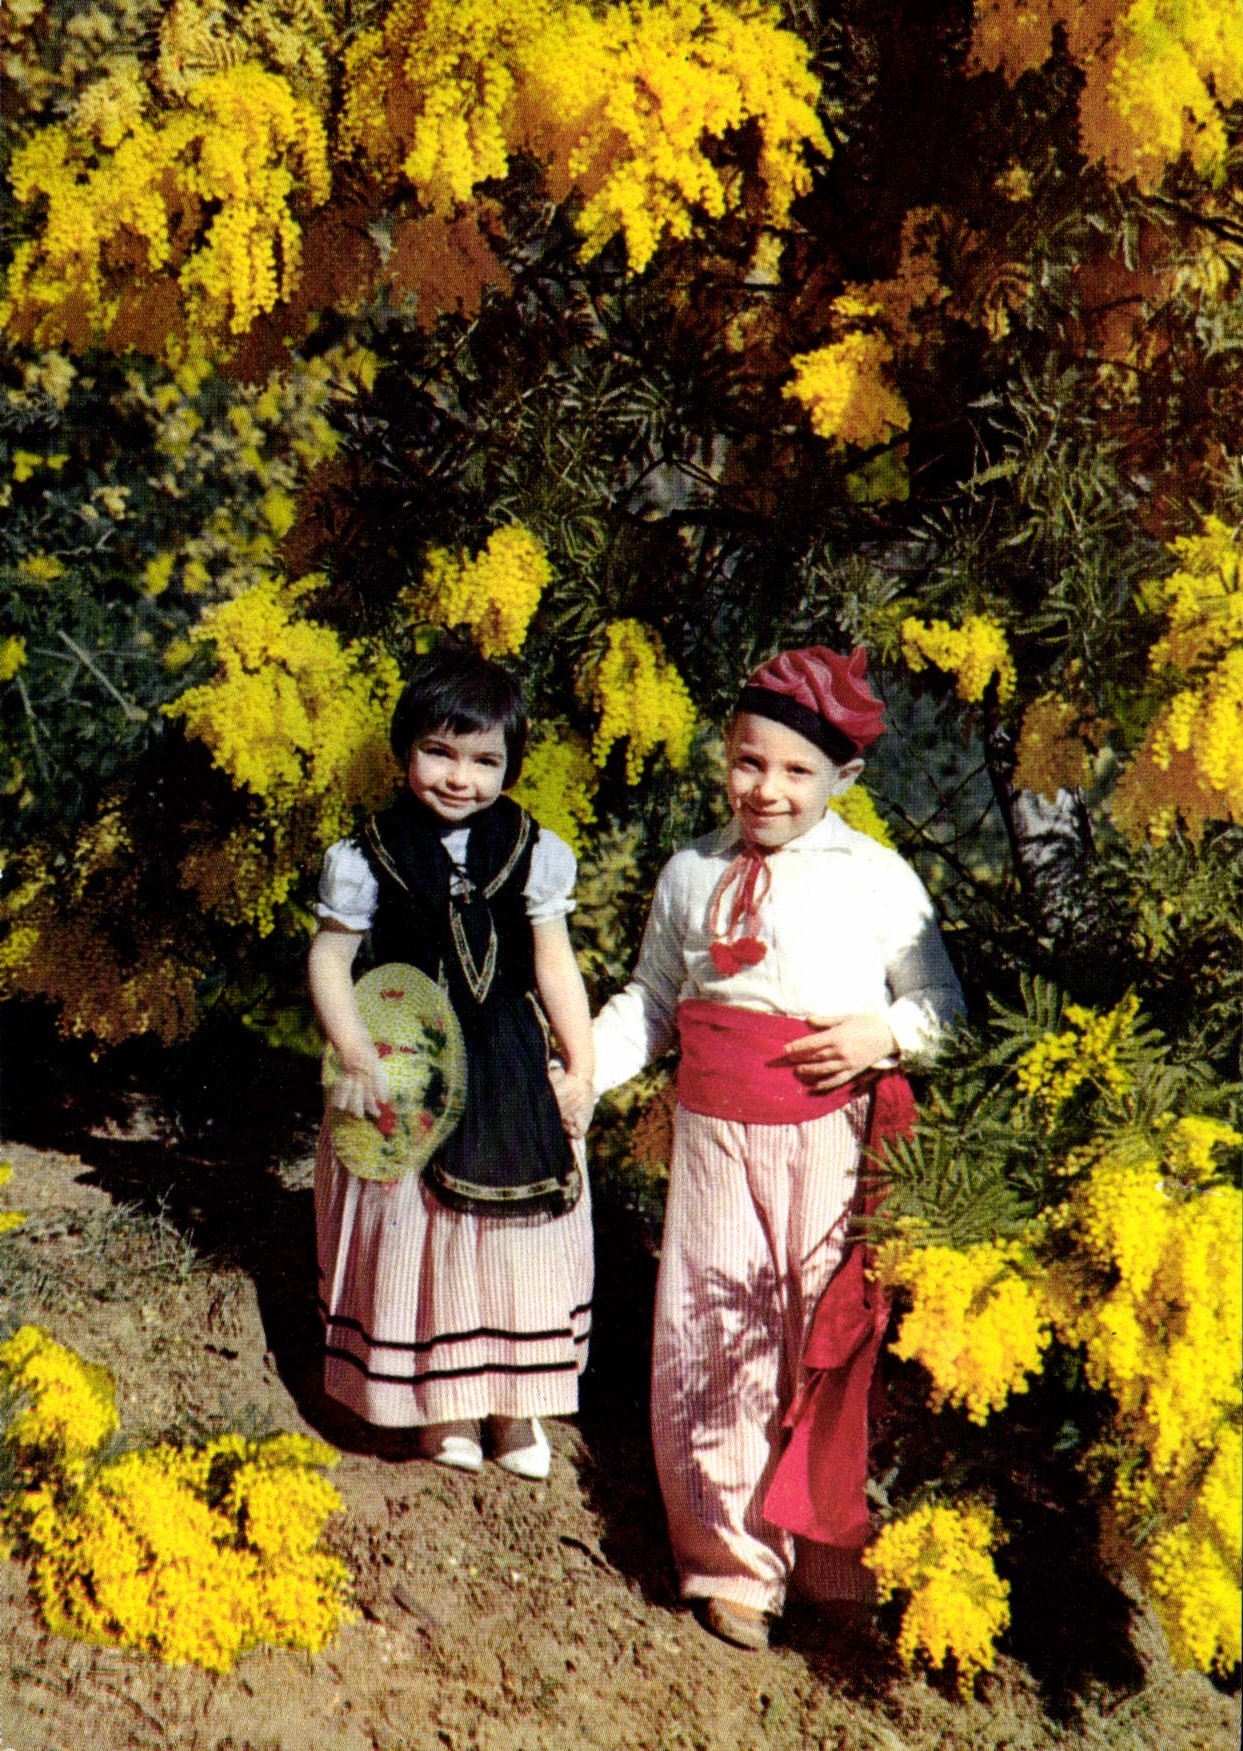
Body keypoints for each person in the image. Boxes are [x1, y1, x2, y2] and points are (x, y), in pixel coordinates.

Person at [592, 646, 964, 1649]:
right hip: (715, 1141)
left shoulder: (876, 878)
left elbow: (945, 1007)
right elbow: (651, 1004)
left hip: (828, 1137)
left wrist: (883, 1035)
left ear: (842, 779)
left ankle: (834, 1564)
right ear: (725, 756)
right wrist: (580, 1071)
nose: (768, 788)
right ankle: (732, 1566)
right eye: (750, 762)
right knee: (715, 1338)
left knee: (825, 1335)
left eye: (797, 771)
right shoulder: (690, 872)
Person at [309, 646, 596, 1480]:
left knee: (516, 1229)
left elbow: (554, 964)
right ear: (405, 751)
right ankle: (442, 1407)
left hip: (506, 1058)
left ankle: (516, 1406)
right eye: (439, 751)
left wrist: (578, 1067)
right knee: (422, 1228)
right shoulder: (367, 855)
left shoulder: (533, 851)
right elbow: (330, 960)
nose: (460, 777)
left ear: (510, 766)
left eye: (484, 760)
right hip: (409, 1052)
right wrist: (353, 1050)